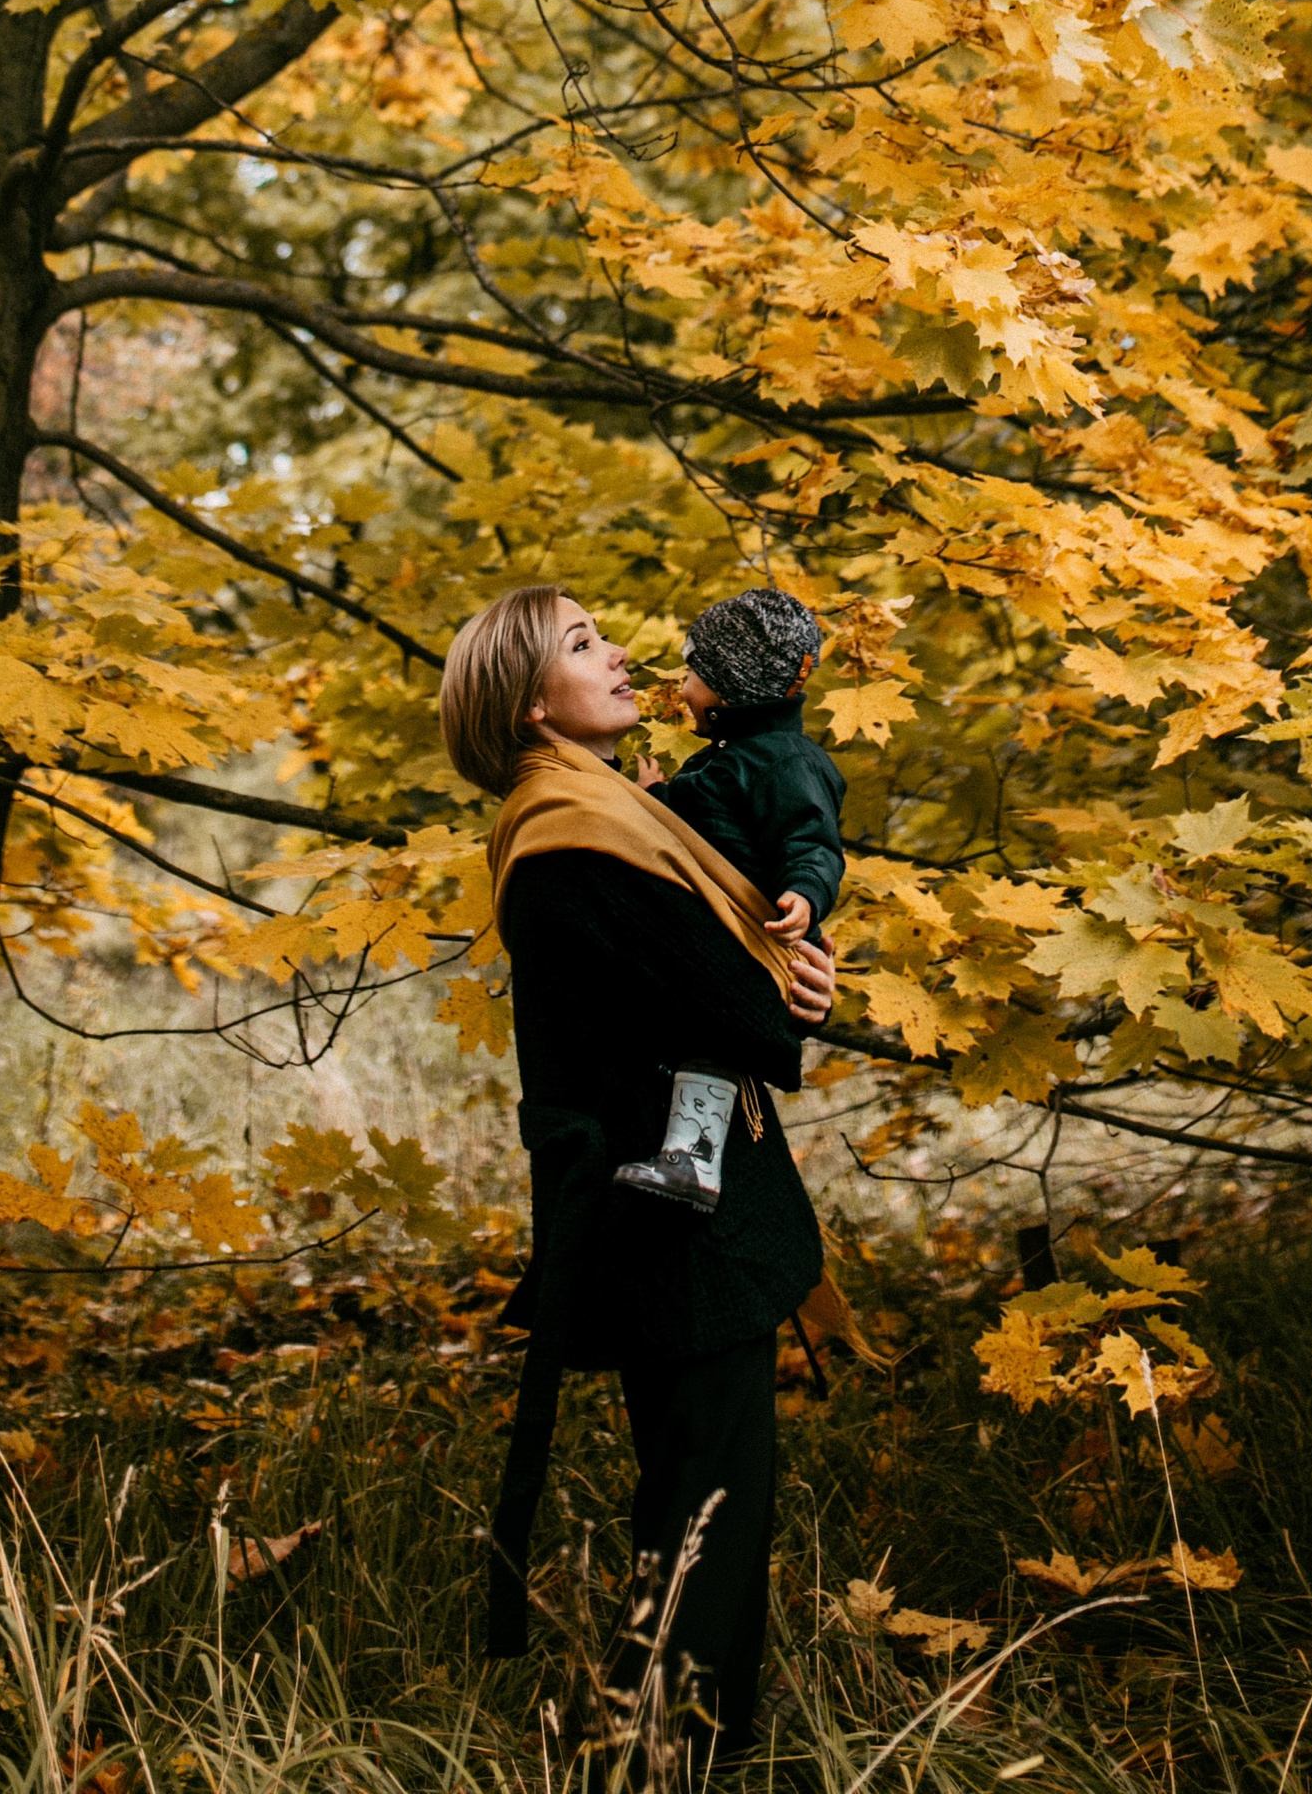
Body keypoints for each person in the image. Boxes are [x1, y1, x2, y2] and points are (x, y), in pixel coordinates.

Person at [441, 582, 838, 1770]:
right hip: (669, 1215)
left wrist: (792, 970)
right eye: (580, 644)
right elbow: (724, 1000)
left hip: (683, 1199)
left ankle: (653, 1746)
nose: (617, 655)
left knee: (695, 1496)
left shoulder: (614, 811)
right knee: (706, 1505)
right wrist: (789, 989)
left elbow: (728, 965)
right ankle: (667, 1755)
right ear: (526, 704)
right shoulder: (573, 838)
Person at [620, 587, 845, 1213]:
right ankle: (685, 1159)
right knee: (697, 1041)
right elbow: (697, 837)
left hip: (747, 948)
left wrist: (804, 892)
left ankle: (692, 1164)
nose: (683, 685)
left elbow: (813, 842)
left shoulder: (785, 763)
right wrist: (656, 798)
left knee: (711, 1045)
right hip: (710, 944)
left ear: (731, 687)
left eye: (693, 672)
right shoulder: (731, 761)